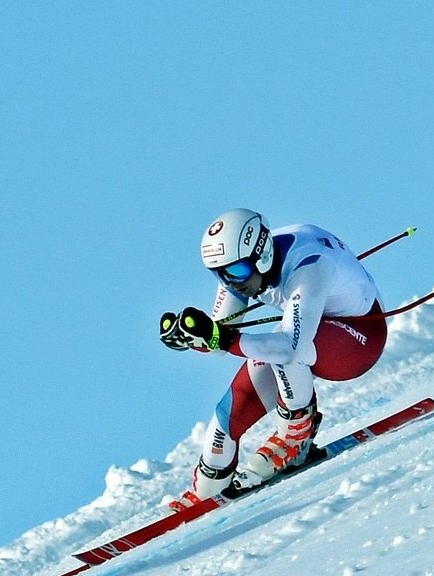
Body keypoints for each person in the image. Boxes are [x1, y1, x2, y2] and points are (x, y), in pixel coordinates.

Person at [159, 209, 389, 501]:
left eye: (237, 272)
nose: (232, 282)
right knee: (226, 416)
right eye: (220, 275)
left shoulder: (309, 265)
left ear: (262, 254)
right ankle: (206, 487)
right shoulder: (240, 265)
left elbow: (289, 346)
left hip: (359, 340)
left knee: (281, 345)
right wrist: (193, 337)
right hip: (310, 337)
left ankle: (296, 435)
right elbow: (222, 334)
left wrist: (222, 338)